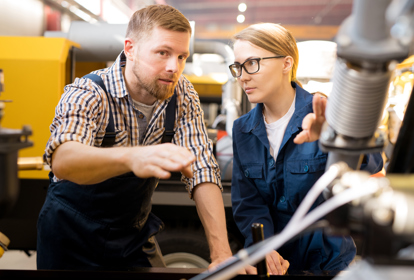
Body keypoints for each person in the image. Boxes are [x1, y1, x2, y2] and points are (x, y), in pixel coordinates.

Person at [37, 4, 233, 270]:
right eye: (162, 52)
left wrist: (221, 253)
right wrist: (133, 156)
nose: (173, 67)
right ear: (130, 48)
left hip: (132, 235)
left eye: (181, 57)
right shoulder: (88, 91)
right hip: (69, 236)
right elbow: (63, 159)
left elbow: (202, 170)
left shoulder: (182, 94)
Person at [229, 23, 383, 275]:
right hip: (274, 266)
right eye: (238, 66)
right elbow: (249, 202)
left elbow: (374, 162)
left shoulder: (325, 114)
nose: (243, 75)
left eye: (252, 63)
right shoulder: (242, 129)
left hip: (329, 266)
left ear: (286, 64)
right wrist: (264, 247)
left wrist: (336, 136)